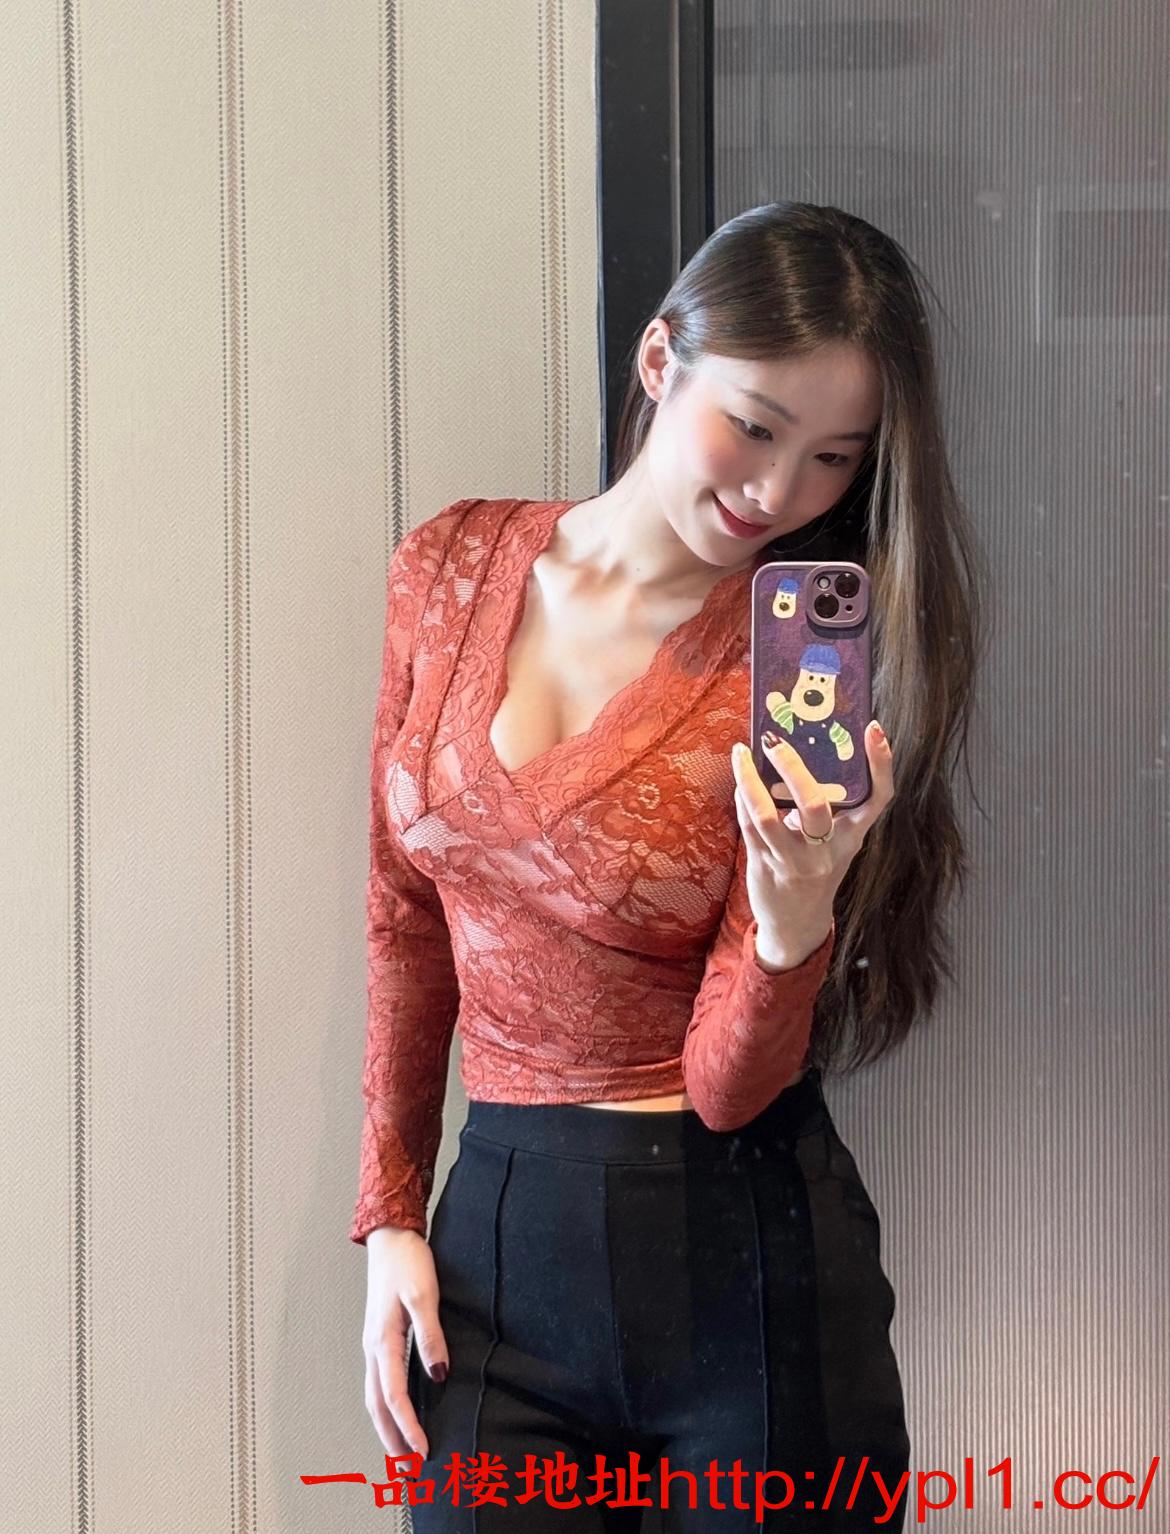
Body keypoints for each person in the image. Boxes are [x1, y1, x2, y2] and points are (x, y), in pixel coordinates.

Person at [351, 201, 985, 1531]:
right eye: (753, 426)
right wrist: (391, 1213)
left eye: (833, 458)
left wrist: (791, 921)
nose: (777, 492)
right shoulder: (447, 565)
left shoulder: (800, 664)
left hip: (745, 1262)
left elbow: (724, 1086)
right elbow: (406, 915)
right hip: (498, 1248)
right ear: (659, 360)